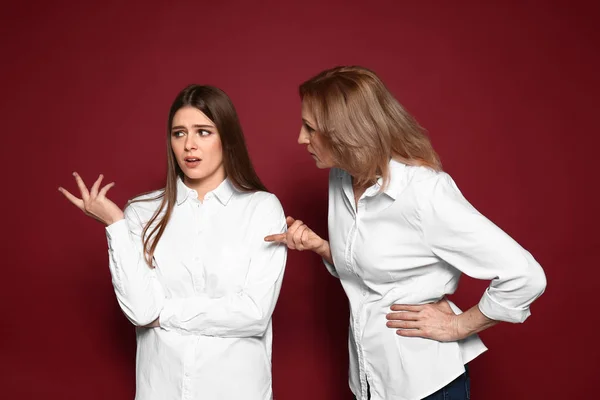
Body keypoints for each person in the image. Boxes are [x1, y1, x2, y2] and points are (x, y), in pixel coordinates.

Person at [265, 66, 546, 400]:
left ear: (345, 131)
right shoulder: (341, 178)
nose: (300, 137)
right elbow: (374, 273)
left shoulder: (423, 193)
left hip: (426, 385)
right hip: (371, 382)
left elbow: (526, 276)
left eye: (310, 127)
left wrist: (459, 325)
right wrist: (323, 248)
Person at [59, 85, 287, 400]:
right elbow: (140, 312)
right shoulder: (141, 211)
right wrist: (116, 226)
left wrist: (164, 313)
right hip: (161, 390)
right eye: (179, 134)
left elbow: (253, 313)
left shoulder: (261, 208)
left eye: (203, 132)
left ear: (227, 138)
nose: (189, 145)